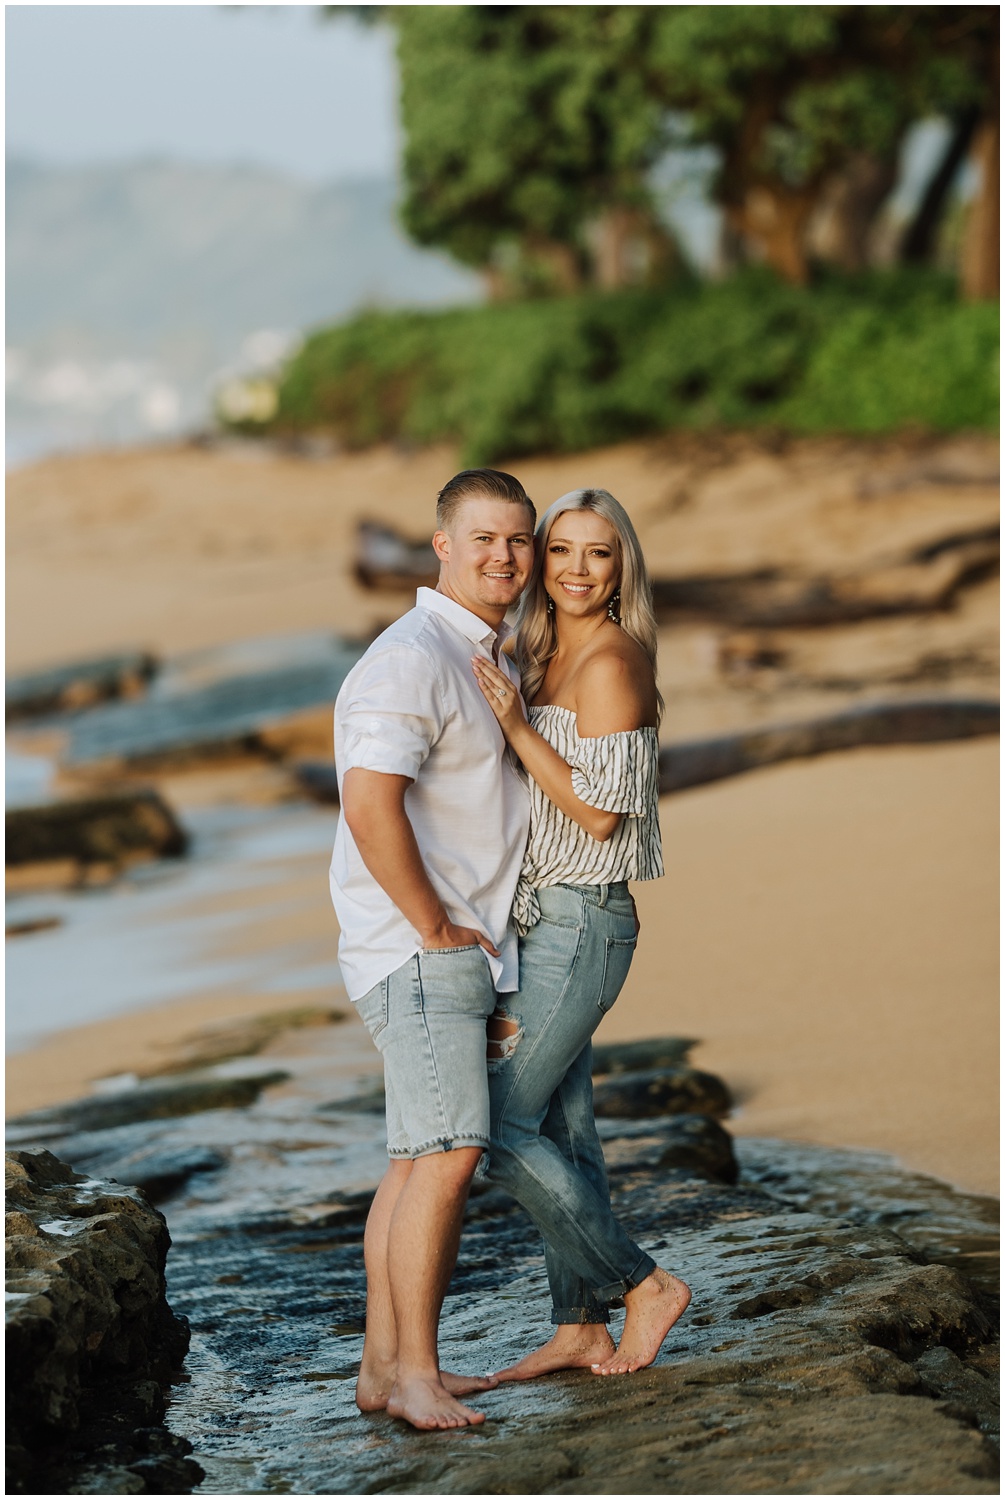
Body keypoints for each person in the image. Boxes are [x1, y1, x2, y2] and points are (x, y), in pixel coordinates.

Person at [329, 467, 536, 1430]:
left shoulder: (472, 654)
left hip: (436, 948)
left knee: (417, 1159)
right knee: (450, 1153)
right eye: (484, 539)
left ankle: (384, 1369)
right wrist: (434, 928)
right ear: (441, 545)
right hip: (420, 949)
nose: (505, 557)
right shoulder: (412, 656)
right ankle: (416, 1371)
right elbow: (368, 804)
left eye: (519, 541)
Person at [471, 486, 691, 1381]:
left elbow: (600, 816)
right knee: (566, 1135)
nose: (573, 569)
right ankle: (578, 1326)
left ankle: (643, 1285)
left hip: (584, 917)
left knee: (491, 1126)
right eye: (559, 549)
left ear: (621, 568)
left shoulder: (609, 661)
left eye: (597, 553)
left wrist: (518, 727)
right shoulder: (541, 651)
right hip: (540, 920)